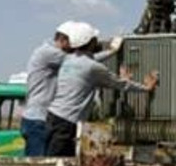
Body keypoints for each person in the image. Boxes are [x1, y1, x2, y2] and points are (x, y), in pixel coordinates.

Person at [46, 22, 158, 157]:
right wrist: (146, 88)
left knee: (51, 160)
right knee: (62, 163)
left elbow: (90, 60)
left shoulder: (69, 60)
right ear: (91, 42)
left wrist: (112, 51)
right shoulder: (93, 68)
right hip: (68, 122)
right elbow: (120, 84)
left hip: (52, 116)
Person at [21, 22, 122, 157]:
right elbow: (83, 62)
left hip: (39, 118)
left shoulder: (48, 52)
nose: (77, 47)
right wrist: (111, 51)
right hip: (39, 120)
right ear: (63, 40)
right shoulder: (50, 53)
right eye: (74, 42)